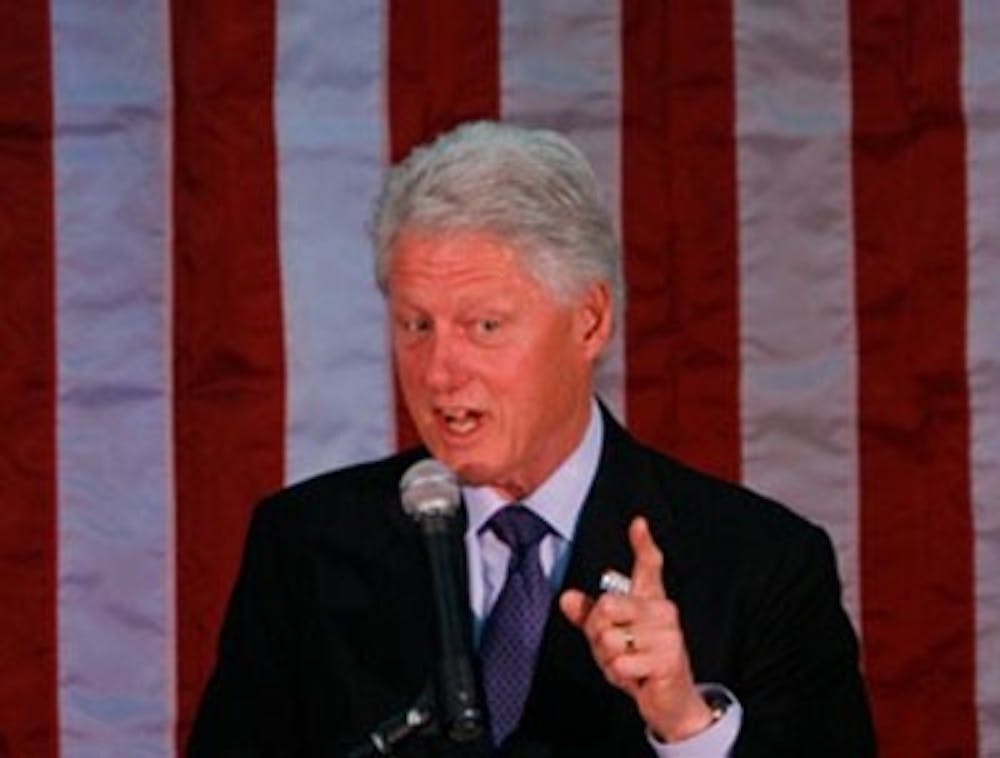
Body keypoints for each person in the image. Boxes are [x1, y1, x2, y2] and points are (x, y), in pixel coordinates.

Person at [188, 121, 875, 756]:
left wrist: (686, 726)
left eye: (484, 326)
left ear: (589, 321)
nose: (439, 372)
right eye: (416, 325)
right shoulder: (305, 548)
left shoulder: (760, 567)